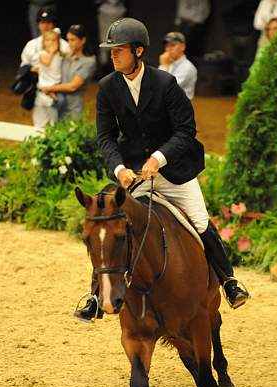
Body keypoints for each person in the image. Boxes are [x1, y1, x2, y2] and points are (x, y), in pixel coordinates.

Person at [74, 17, 250, 322]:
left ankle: (229, 282)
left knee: (199, 220)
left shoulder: (166, 84)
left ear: (138, 51)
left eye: (119, 50)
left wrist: (158, 158)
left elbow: (186, 130)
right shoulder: (107, 87)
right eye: (111, 50)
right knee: (108, 221)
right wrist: (118, 169)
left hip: (174, 170)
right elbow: (105, 137)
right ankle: (94, 296)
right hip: (133, 174)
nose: (113, 54)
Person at [42, 24, 96, 119]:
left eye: (73, 40)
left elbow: (73, 86)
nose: (69, 43)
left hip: (73, 109)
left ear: (83, 40)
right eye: (68, 39)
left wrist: (49, 88)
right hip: (58, 105)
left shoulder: (89, 62)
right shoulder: (67, 56)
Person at [33, 29, 64, 127]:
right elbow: (46, 63)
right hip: (44, 88)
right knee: (40, 122)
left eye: (53, 40)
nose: (50, 43)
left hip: (56, 87)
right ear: (43, 42)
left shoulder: (59, 54)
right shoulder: (42, 54)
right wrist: (51, 52)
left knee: (54, 121)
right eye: (47, 40)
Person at [158, 31, 197, 100]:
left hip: (180, 109)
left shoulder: (187, 68)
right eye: (167, 46)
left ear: (183, 47)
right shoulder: (170, 64)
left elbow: (165, 89)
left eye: (173, 45)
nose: (169, 49)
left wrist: (163, 66)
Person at [96, 0, 126, 69]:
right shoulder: (104, 8)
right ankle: (103, 66)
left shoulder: (120, 9)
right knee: (104, 44)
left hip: (117, 10)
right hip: (106, 10)